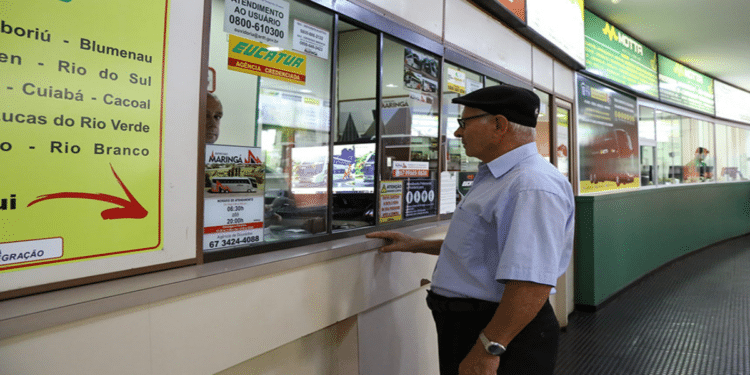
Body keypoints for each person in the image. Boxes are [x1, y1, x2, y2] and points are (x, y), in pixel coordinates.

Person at [366, 85, 575, 375]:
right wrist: (414, 244)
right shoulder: (496, 177)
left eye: (464, 123)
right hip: (474, 327)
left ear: (499, 125)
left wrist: (490, 346)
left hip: (498, 331)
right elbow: (487, 246)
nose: (457, 133)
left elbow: (530, 282)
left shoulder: (530, 185)